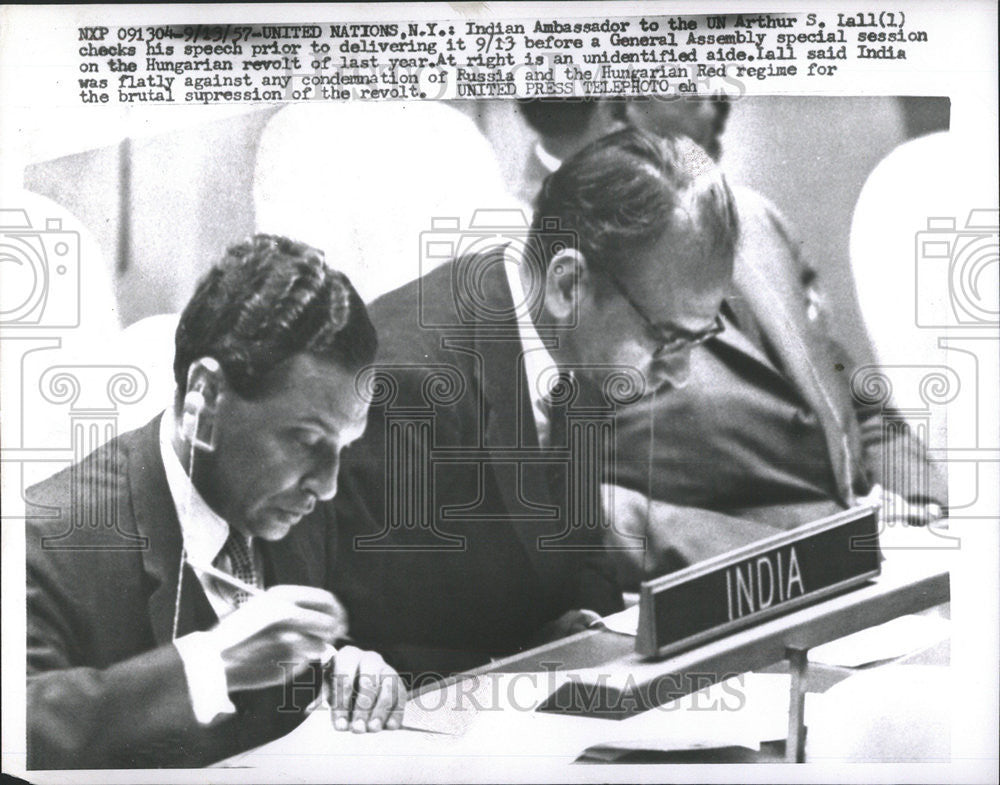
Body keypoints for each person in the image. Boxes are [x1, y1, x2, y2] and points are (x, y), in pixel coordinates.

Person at [329, 128, 740, 677]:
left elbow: (581, 552)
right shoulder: (409, 388)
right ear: (568, 285)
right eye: (665, 338)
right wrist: (522, 654)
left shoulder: (577, 345)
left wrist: (576, 624)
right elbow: (392, 641)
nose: (681, 373)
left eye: (698, 337)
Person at [516, 98, 947, 586]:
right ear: (621, 107)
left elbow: (852, 394)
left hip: (898, 560)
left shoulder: (752, 219)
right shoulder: (562, 304)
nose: (720, 101)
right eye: (693, 86)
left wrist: (925, 504)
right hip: (754, 589)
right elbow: (586, 518)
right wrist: (835, 540)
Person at [25, 235, 405, 769]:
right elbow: (19, 730)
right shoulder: (49, 538)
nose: (328, 486)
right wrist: (214, 662)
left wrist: (341, 670)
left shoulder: (290, 508)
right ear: (205, 392)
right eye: (305, 441)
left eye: (342, 447)